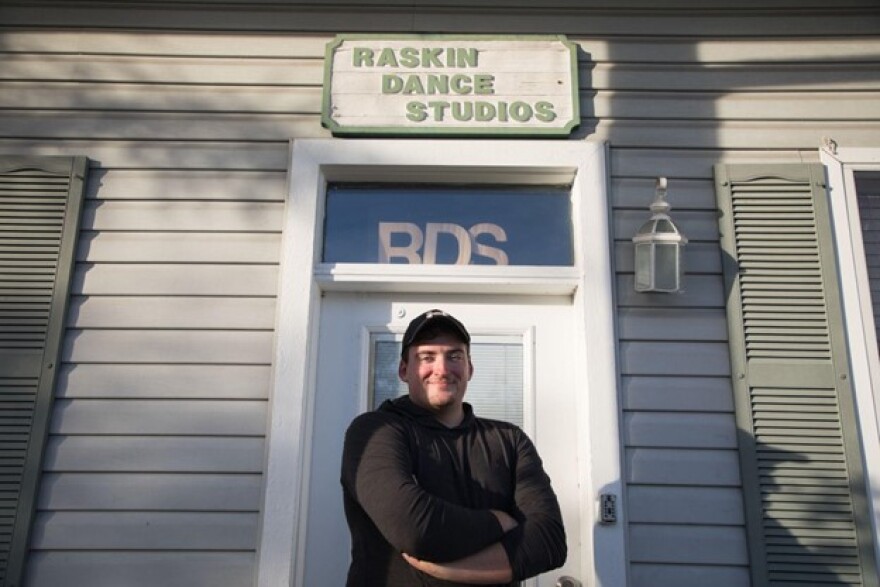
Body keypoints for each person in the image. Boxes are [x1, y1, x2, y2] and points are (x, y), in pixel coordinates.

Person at [341, 308, 567, 586]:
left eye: (454, 356)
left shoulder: (509, 440)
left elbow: (550, 542)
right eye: (427, 357)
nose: (443, 369)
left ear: (469, 368)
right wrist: (500, 522)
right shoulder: (375, 431)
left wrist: (449, 568)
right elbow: (414, 527)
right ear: (403, 370)